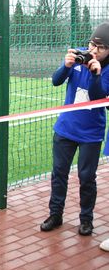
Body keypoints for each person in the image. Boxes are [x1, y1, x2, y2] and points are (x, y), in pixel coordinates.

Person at [40, 22, 109, 237]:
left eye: (101, 48)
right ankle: (55, 214)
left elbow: (101, 99)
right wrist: (66, 65)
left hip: (91, 134)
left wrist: (96, 74)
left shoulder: (105, 70)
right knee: (59, 173)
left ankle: (86, 219)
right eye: (92, 44)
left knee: (86, 177)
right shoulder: (79, 58)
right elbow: (56, 81)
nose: (94, 51)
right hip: (66, 129)